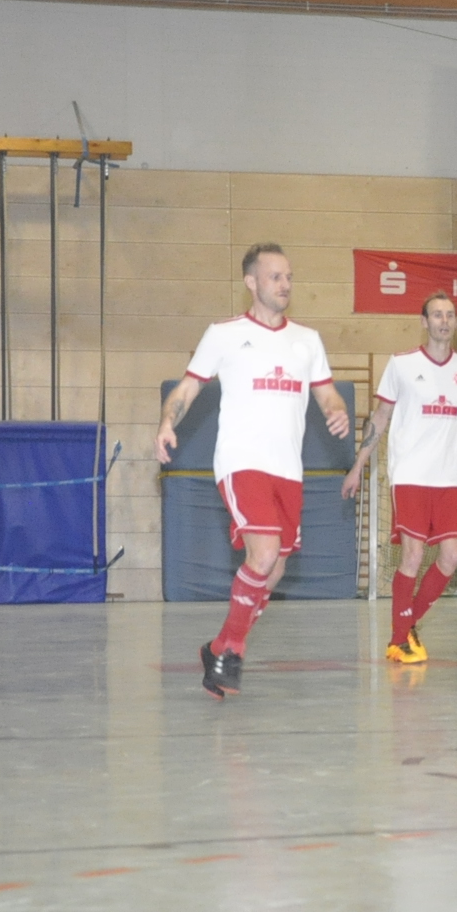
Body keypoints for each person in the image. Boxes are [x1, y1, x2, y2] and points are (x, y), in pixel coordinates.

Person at [156, 243, 350, 698]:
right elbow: (187, 388)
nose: (285, 284)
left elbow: (327, 394)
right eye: (275, 277)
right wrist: (167, 422)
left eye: (289, 277)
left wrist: (337, 410)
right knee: (262, 554)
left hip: (288, 469)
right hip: (242, 462)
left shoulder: (307, 340)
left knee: (274, 569)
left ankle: (217, 646)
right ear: (251, 282)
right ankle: (233, 653)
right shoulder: (224, 334)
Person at [341, 290, 457, 663]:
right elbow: (380, 417)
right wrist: (358, 466)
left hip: (447, 478)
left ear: (455, 321)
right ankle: (397, 641)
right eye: (436, 315)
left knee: (452, 556)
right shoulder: (402, 364)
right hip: (409, 474)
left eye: (449, 315)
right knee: (413, 553)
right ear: (424, 322)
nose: (444, 321)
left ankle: (408, 624)